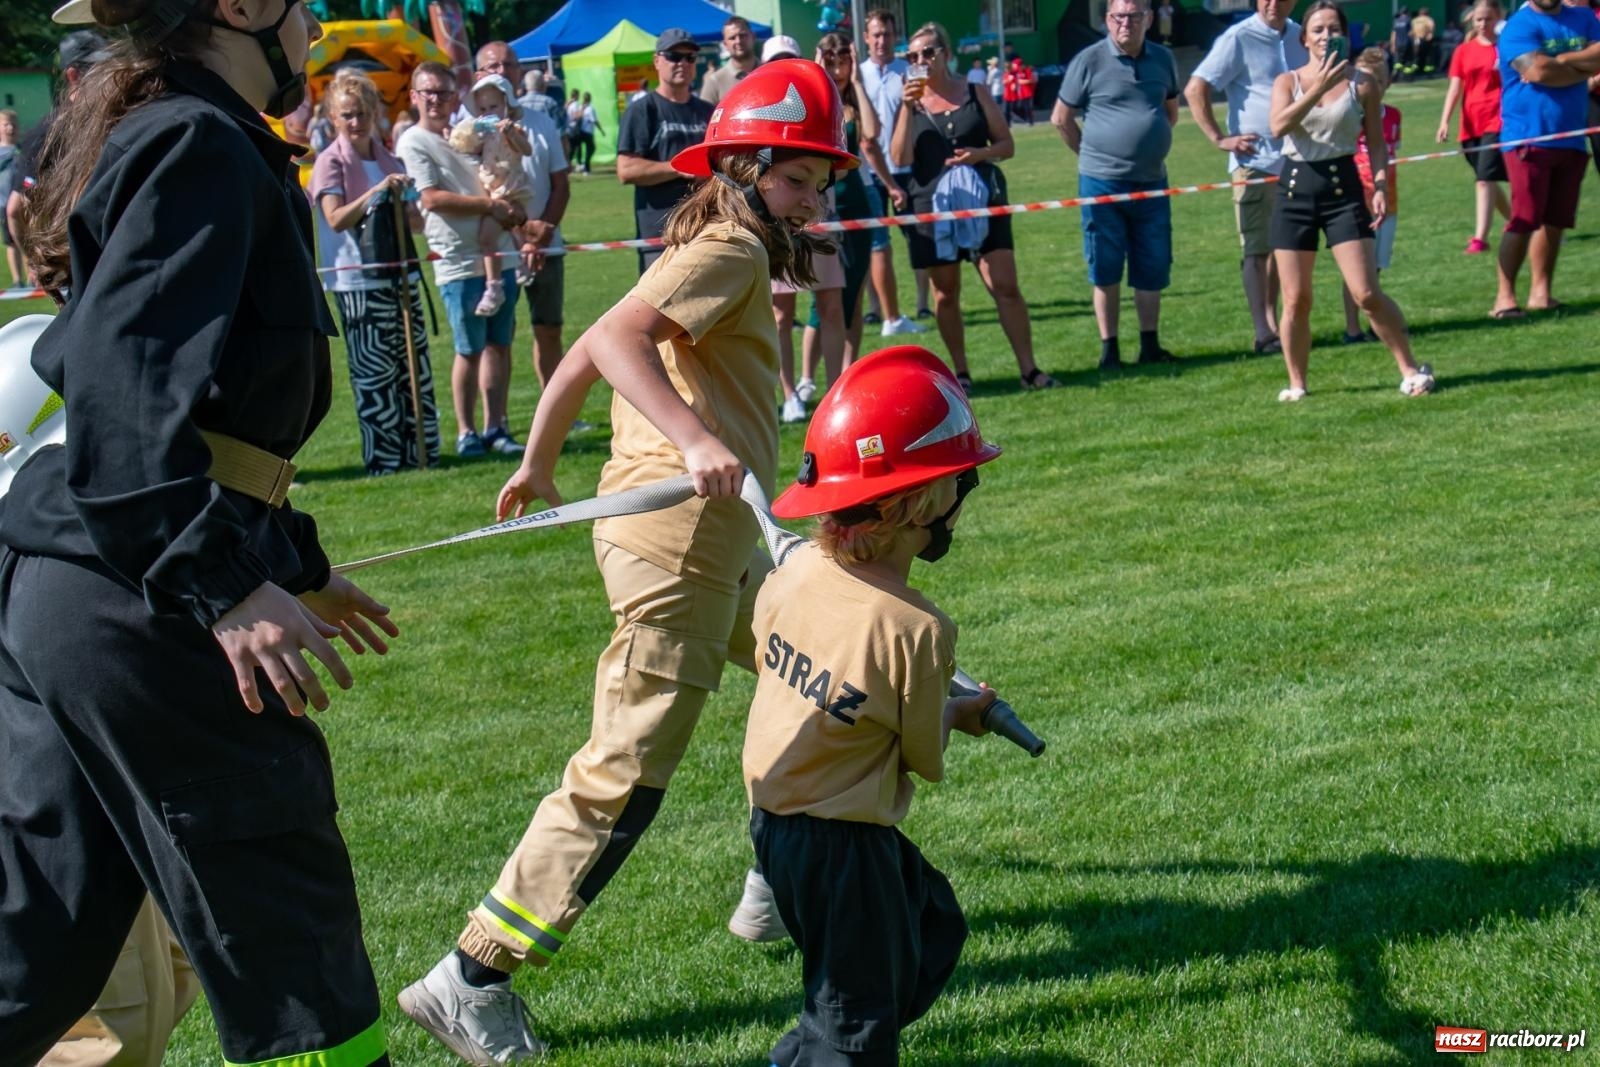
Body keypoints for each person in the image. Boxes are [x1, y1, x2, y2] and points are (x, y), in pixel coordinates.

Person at [395, 60, 857, 1065]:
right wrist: (693, 440)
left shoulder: (715, 238)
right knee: (625, 769)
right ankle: (471, 976)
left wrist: (536, 454)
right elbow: (616, 336)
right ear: (743, 161)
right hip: (679, 534)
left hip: (712, 537)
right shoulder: (732, 243)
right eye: (795, 180)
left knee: (823, 673)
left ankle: (773, 875)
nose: (811, 199)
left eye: (819, 183)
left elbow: (586, 352)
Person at [0, 0, 401, 1064]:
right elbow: (125, 400)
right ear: (240, 7)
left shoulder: (179, 130)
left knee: (35, 949)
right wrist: (220, 585)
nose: (315, 22)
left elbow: (211, 415)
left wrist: (293, 562)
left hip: (75, 582)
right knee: (283, 910)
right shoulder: (193, 139)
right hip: (126, 593)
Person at [744, 345, 1000, 1067]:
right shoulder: (917, 629)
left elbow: (771, 648)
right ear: (915, 504)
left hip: (775, 827)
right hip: (843, 842)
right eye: (959, 480)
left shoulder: (797, 570)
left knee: (930, 921)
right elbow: (923, 753)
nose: (966, 490)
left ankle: (812, 1044)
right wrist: (966, 711)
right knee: (856, 1027)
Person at [1267, 1, 1435, 401]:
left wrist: (1378, 185)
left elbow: (1376, 143)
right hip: (1295, 188)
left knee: (1365, 293)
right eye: (1318, 30)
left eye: (1333, 29)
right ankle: (1297, 383)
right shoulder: (1287, 82)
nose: (1326, 36)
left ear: (1343, 34)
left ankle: (1411, 368)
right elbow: (1278, 126)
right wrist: (1319, 90)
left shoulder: (1363, 83)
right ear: (1304, 38)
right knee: (1296, 299)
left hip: (1343, 188)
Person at [891, 22, 1059, 392]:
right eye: (912, 56)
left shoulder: (974, 91)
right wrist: (905, 108)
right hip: (932, 203)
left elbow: (1007, 145)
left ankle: (1029, 369)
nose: (920, 60)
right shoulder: (910, 102)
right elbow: (899, 156)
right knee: (945, 292)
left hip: (982, 199)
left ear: (946, 54)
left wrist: (978, 154)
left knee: (1005, 285)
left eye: (928, 52)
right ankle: (961, 374)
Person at [311, 68, 441, 474]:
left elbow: (415, 222)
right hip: (357, 279)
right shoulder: (330, 163)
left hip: (401, 275)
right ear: (333, 118)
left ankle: (421, 451)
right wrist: (376, 192)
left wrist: (405, 199)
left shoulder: (390, 159)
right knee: (375, 374)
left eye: (362, 113)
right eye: (347, 115)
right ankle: (384, 460)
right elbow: (335, 219)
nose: (355, 122)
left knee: (411, 367)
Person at [398, 61, 526, 456]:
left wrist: (513, 209)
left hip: (499, 254)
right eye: (428, 92)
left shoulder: (468, 134)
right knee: (468, 350)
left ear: (456, 97)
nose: (436, 99)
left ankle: (496, 427)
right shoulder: (414, 141)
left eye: (443, 92)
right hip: (457, 261)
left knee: (499, 346)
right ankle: (466, 432)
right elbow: (431, 198)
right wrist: (493, 206)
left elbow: (504, 172)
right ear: (414, 97)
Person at [1054, 0, 1182, 371]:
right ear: (1107, 20)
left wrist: (1147, 143)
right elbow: (1061, 118)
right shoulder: (1089, 60)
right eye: (1118, 16)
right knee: (1105, 266)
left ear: (1149, 19)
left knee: (1153, 264)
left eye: (1134, 16)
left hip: (1152, 183)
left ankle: (1150, 345)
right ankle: (1110, 350)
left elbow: (1169, 112)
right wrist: (1091, 154)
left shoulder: (1163, 59)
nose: (1126, 23)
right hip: (1101, 184)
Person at [1185, 0, 1308, 355]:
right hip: (1254, 161)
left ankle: (1279, 324)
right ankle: (1262, 330)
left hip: (1298, 157)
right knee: (1256, 247)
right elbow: (1196, 88)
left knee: (1284, 246)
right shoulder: (1238, 37)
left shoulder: (1301, 35)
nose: (1273, 3)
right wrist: (1219, 138)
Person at [797, 32, 897, 400]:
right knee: (822, 298)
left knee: (851, 295)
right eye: (830, 58)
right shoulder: (815, 98)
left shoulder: (855, 97)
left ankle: (846, 375)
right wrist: (821, 78)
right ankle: (808, 378)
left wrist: (855, 81)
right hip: (817, 205)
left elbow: (870, 136)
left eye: (844, 58)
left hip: (854, 205)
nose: (837, 65)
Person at [473, 42, 573, 395]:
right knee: (497, 340)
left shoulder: (541, 121)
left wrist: (541, 233)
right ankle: (494, 425)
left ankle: (557, 413)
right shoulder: (473, 125)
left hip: (546, 245)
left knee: (549, 329)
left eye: (508, 65)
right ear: (479, 75)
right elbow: (478, 192)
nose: (502, 71)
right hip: (498, 250)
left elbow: (561, 183)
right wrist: (520, 232)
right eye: (492, 66)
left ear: (518, 72)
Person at [1489, 0, 1600, 318]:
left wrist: (1561, 60)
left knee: (1556, 220)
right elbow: (1536, 70)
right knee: (1524, 218)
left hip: (1572, 134)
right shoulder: (1518, 26)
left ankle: (1542, 293)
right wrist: (1581, 67)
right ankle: (1504, 298)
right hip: (1529, 136)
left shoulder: (1582, 17)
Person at [617, 29, 715, 274]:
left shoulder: (708, 111)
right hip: (661, 236)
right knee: (662, 311)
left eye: (690, 58)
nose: (682, 63)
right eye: (674, 56)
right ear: (657, 61)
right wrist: (679, 167)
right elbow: (626, 170)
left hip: (707, 229)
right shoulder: (642, 110)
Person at [859, 8, 929, 335]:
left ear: (894, 37)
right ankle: (877, 308)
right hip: (871, 172)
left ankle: (922, 302)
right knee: (876, 243)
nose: (882, 40)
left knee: (918, 237)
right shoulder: (857, 76)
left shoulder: (910, 71)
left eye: (887, 34)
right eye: (876, 34)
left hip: (908, 168)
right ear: (866, 38)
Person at [448, 74, 531, 317]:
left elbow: (527, 150)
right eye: (482, 108)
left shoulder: (514, 129)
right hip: (492, 190)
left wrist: (511, 134)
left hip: (511, 188)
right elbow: (463, 148)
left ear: (506, 104)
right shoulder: (483, 134)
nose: (488, 113)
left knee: (488, 236)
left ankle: (494, 286)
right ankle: (521, 265)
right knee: (508, 230)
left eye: (493, 106)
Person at [1437, 0, 1509, 254]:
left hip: (1498, 120)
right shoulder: (1463, 51)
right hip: (1470, 124)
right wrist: (1445, 120)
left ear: (1497, 18)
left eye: (1487, 19)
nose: (1482, 24)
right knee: (1485, 177)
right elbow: (1455, 87)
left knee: (1484, 179)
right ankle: (1518, 222)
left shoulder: (1506, 48)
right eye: (1478, 19)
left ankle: (1480, 239)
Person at [1343, 48, 1402, 343]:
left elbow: (1391, 154)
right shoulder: (1349, 117)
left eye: (1377, 79)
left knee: (1376, 267)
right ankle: (1352, 328)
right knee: (1354, 267)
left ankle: (1374, 324)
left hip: (1387, 202)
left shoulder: (1393, 115)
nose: (1372, 85)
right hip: (1356, 200)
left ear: (1387, 83)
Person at [700, 15, 758, 103]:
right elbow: (705, 116)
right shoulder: (715, 82)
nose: (738, 41)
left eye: (742, 35)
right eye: (732, 38)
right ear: (725, 44)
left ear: (753, 37)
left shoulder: (770, 73)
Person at [0, 109, 23, 288]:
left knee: (28, 240)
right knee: (12, 242)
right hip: (4, 203)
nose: (10, 128)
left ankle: (35, 277)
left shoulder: (23, 149)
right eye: (6, 124)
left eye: (13, 125)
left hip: (26, 203)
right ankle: (17, 280)